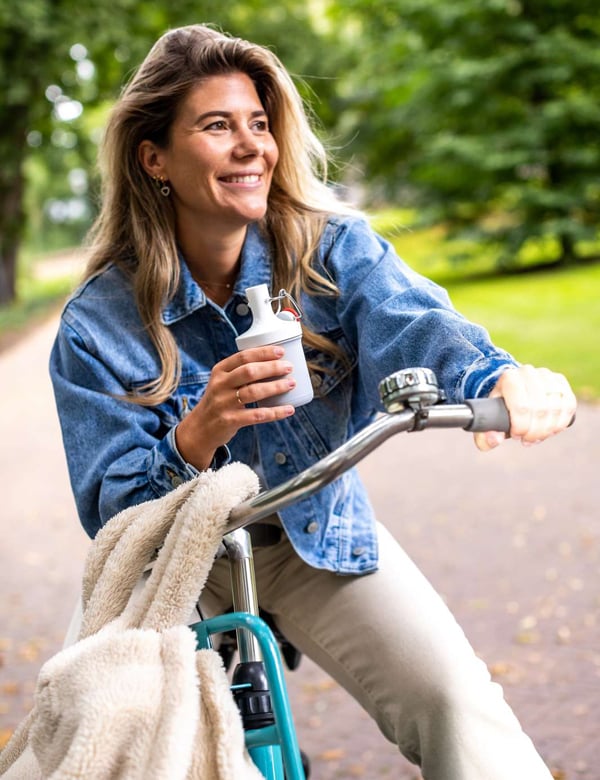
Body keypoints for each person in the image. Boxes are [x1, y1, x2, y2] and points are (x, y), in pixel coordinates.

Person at [50, 24, 576, 780]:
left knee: (458, 706)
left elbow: (414, 324)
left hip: (316, 534)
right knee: (98, 729)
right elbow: (113, 512)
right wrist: (198, 432)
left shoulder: (330, 250)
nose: (250, 145)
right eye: (217, 125)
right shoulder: (98, 323)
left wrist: (497, 379)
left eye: (259, 124)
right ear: (154, 157)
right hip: (171, 566)